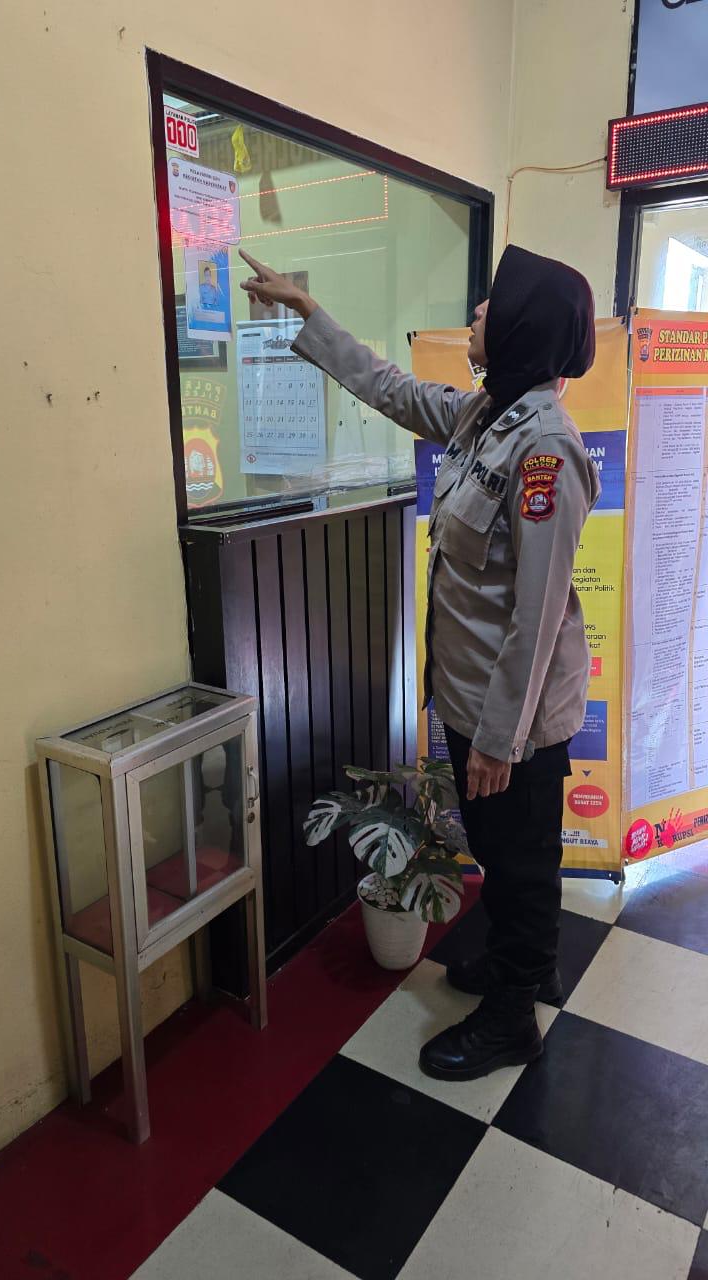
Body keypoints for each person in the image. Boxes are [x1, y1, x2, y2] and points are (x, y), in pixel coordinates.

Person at [239, 244, 600, 1081]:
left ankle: (513, 1016)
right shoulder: (486, 417)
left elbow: (538, 615)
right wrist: (309, 312)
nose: (476, 313)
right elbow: (392, 389)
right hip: (473, 697)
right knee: (503, 855)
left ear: (521, 329)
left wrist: (499, 741)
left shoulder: (545, 450)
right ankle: (525, 967)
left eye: (491, 305)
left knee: (519, 865)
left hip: (514, 716)